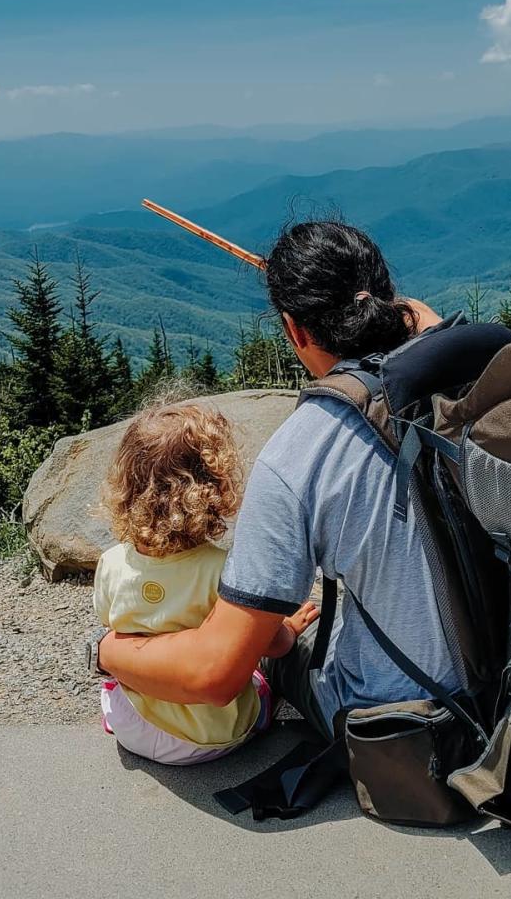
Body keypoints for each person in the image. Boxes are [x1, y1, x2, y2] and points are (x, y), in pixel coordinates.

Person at [98, 220, 454, 743]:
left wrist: (103, 650)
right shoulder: (482, 383)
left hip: (407, 721)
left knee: (281, 647)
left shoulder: (298, 453)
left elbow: (215, 676)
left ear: (295, 331)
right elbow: (425, 320)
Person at [93, 402, 319, 762]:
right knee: (261, 682)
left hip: (133, 724)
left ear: (127, 486)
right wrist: (288, 628)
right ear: (214, 487)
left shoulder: (111, 562)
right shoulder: (224, 569)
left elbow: (112, 626)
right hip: (211, 735)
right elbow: (271, 645)